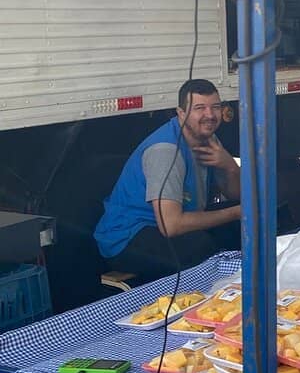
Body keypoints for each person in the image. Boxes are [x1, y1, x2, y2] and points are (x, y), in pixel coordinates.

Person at [95, 79, 241, 278]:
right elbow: (170, 226)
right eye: (199, 108)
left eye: (215, 107)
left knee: (241, 228)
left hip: (169, 222)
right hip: (127, 238)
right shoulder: (166, 151)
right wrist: (235, 213)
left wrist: (230, 166)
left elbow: (235, 195)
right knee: (200, 246)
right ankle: (210, 302)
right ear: (181, 114)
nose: (209, 115)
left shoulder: (208, 138)